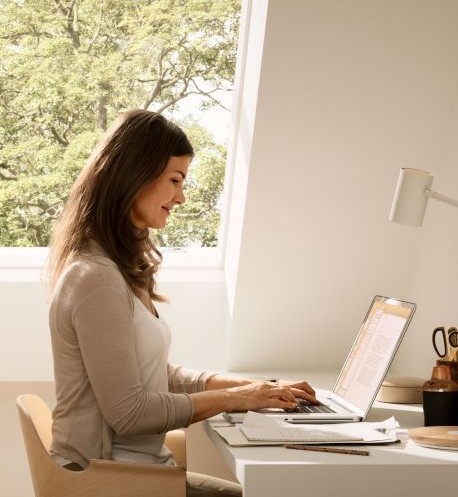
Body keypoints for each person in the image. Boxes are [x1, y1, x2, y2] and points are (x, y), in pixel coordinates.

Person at [46, 109, 317, 496]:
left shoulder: (113, 270)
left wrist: (256, 388)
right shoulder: (96, 278)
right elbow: (130, 413)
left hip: (136, 471)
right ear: (134, 174)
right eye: (175, 180)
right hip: (107, 481)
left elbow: (150, 374)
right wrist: (235, 399)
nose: (181, 197)